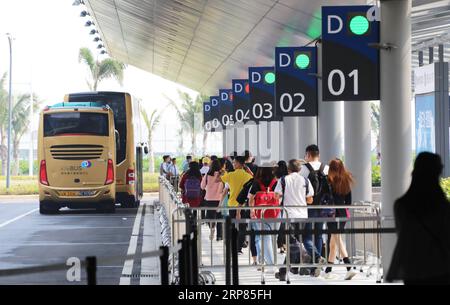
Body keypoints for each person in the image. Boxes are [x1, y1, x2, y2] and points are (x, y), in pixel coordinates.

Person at [386, 152, 450, 285]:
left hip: (413, 269)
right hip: (441, 268)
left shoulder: (401, 206)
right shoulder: (444, 207)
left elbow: (404, 238)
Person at [274, 159, 318, 280]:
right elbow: (310, 200)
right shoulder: (305, 180)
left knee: (292, 243)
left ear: (288, 169)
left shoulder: (283, 180)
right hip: (303, 215)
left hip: (289, 215)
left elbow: (276, 196)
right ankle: (283, 272)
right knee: (294, 242)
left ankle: (305, 253)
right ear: (299, 169)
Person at [323, 159, 357, 280]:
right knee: (334, 242)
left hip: (331, 214)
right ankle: (328, 271)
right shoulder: (346, 180)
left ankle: (349, 267)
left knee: (337, 239)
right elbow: (348, 202)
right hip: (343, 214)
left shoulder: (327, 180)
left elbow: (323, 196)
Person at [300, 144, 329, 275]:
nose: (305, 157)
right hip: (323, 207)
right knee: (318, 234)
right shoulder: (326, 168)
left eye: (305, 155)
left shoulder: (304, 169)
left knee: (306, 235)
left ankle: (317, 259)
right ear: (319, 155)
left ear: (309, 155)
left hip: (309, 206)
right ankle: (316, 265)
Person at [249, 163, 280, 272]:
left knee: (263, 237)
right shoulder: (276, 182)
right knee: (271, 238)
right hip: (274, 212)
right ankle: (268, 262)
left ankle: (268, 263)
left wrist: (251, 210)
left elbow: (251, 198)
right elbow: (279, 196)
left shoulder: (257, 182)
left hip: (259, 213)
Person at [221, 156, 253, 254]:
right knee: (243, 226)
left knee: (232, 226)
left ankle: (232, 246)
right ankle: (238, 247)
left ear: (240, 164)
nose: (233, 164)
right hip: (243, 205)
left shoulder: (230, 175)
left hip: (232, 204)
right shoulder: (248, 176)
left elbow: (222, 183)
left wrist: (222, 169)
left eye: (235, 163)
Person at [201, 159, 224, 241]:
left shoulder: (207, 175)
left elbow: (202, 186)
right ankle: (219, 236)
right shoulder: (222, 175)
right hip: (220, 199)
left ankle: (212, 228)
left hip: (209, 199)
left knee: (210, 216)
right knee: (219, 216)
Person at [275, 160, 289, 253]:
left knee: (281, 225)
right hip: (288, 202)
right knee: (285, 225)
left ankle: (280, 246)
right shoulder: (288, 176)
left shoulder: (277, 176)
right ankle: (285, 245)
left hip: (279, 203)